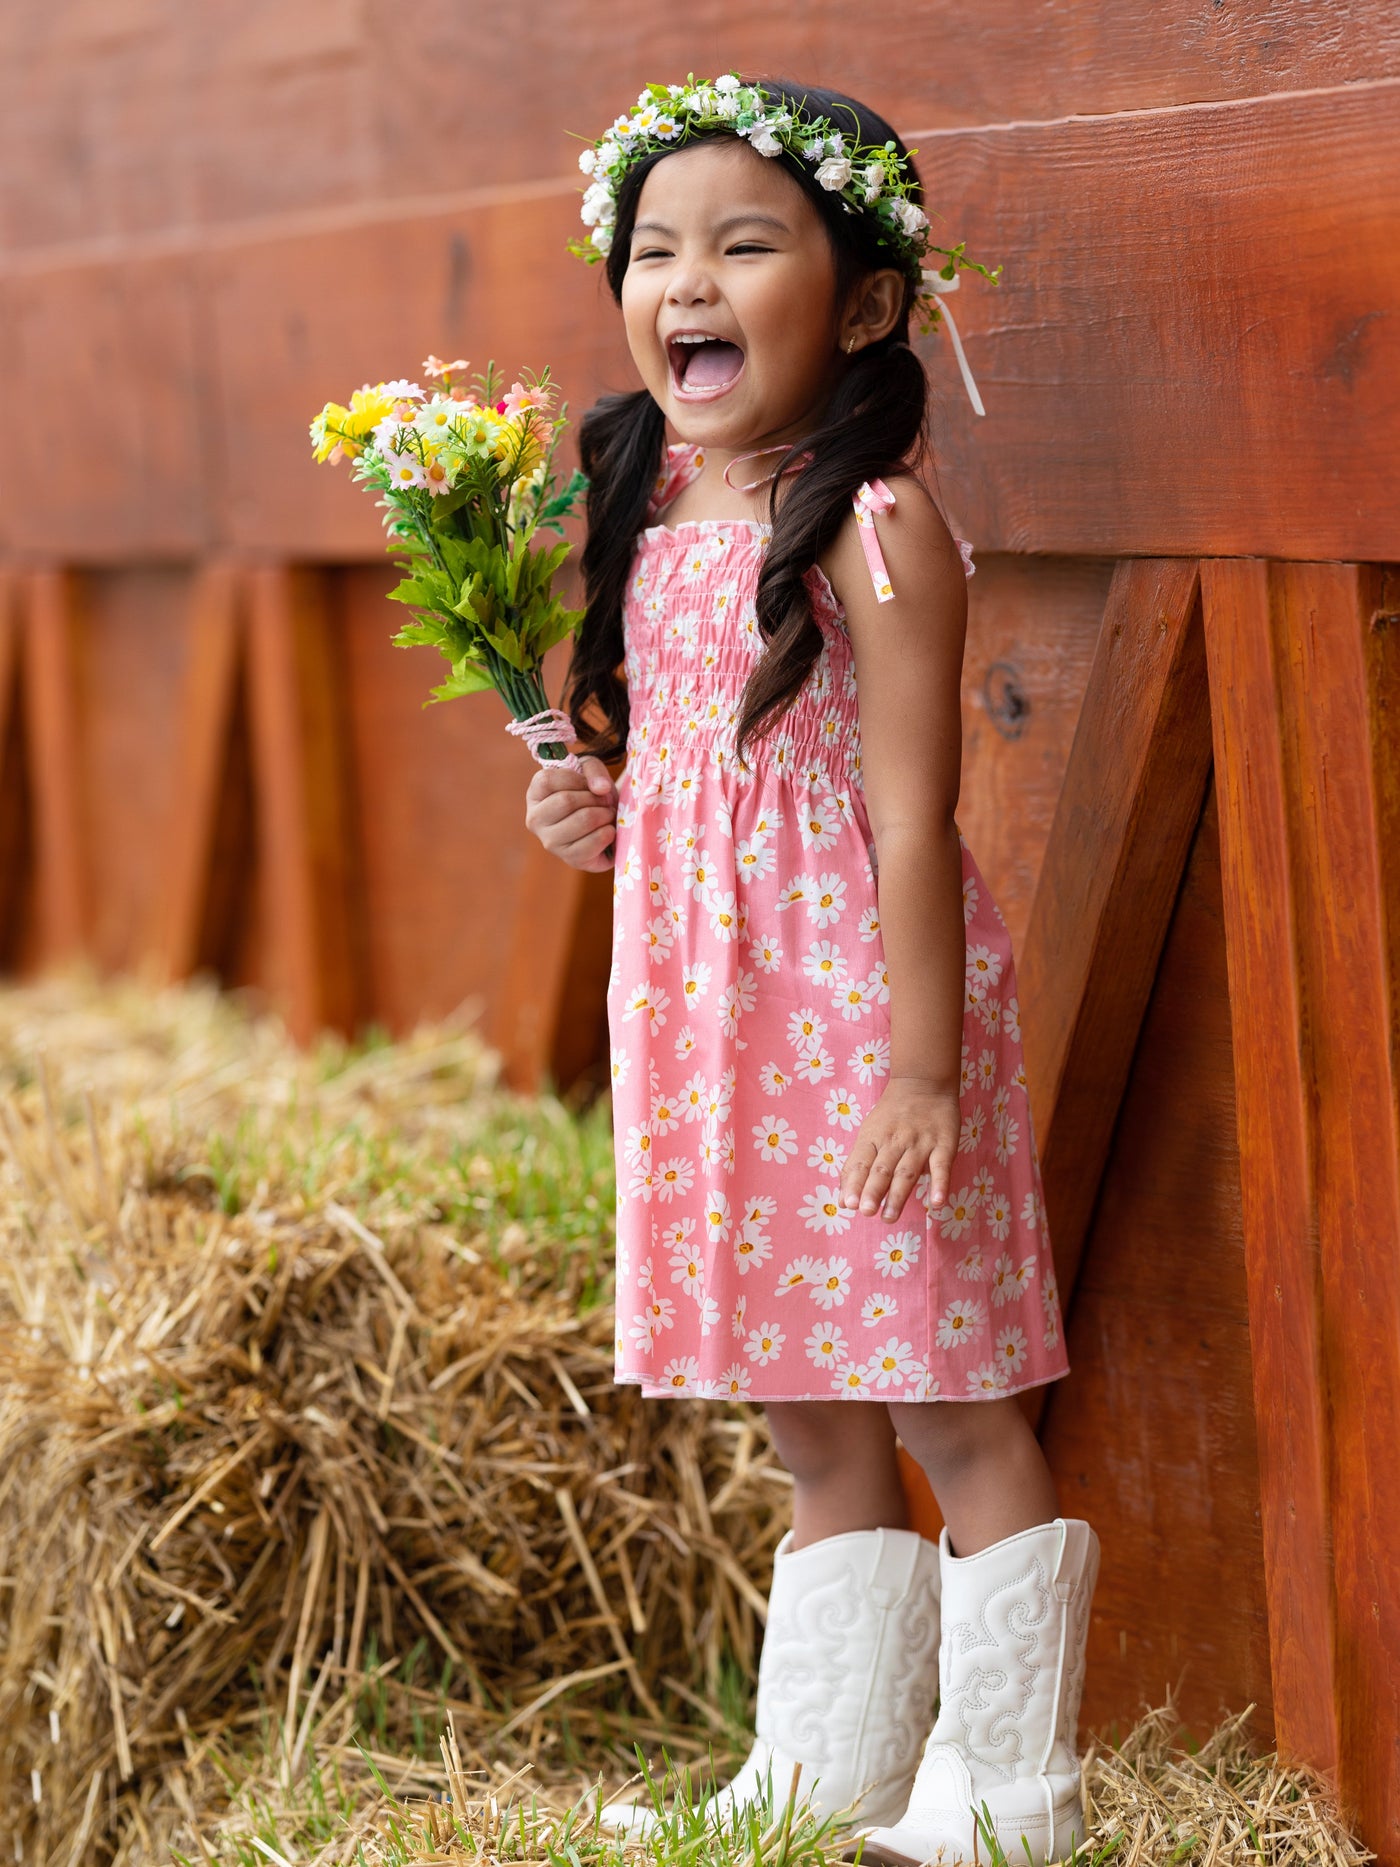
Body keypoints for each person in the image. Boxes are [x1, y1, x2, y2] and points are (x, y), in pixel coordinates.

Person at [523, 72, 1098, 1867]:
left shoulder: (875, 524)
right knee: (806, 1400)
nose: (687, 279)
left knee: (946, 1391)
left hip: (857, 1013)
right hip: (709, 1016)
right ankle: (821, 1780)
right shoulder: (648, 518)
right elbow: (692, 782)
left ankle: (1014, 1796)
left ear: (857, 302)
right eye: (656, 248)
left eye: (745, 245)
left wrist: (923, 1070)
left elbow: (915, 817)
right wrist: (589, 813)